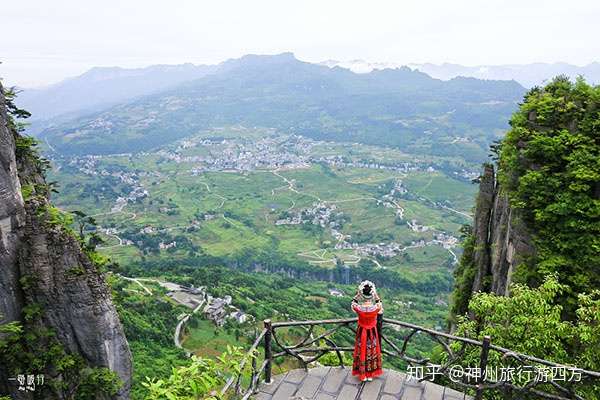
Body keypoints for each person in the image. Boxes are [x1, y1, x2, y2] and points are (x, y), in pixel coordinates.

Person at [351, 280, 383, 382]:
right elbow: (379, 304)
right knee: (371, 352)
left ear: (362, 294)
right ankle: (370, 374)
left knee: (362, 352)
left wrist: (358, 295)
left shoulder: (358, 308)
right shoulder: (375, 308)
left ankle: (362, 374)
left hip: (362, 332)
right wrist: (376, 296)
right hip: (372, 333)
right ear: (372, 294)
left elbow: (353, 303)